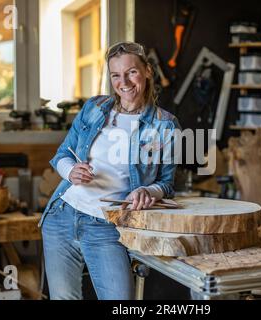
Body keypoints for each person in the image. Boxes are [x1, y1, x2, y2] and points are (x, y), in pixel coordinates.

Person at [39, 41, 181, 300]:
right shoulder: (94, 108)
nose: (123, 82)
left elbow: (168, 183)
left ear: (147, 71)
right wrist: (71, 171)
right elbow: (62, 154)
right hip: (62, 215)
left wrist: (148, 190)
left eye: (131, 72)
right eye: (116, 75)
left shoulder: (166, 125)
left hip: (107, 225)